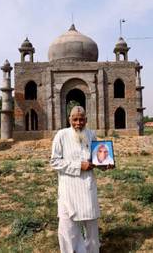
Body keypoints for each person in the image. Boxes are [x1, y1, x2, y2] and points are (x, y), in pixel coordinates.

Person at [50, 106, 111, 253]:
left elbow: (96, 158)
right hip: (68, 188)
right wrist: (79, 166)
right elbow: (54, 162)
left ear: (86, 120)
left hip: (87, 188)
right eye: (75, 119)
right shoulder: (61, 135)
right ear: (69, 119)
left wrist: (102, 165)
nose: (78, 123)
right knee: (68, 227)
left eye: (81, 119)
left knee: (91, 226)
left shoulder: (91, 135)